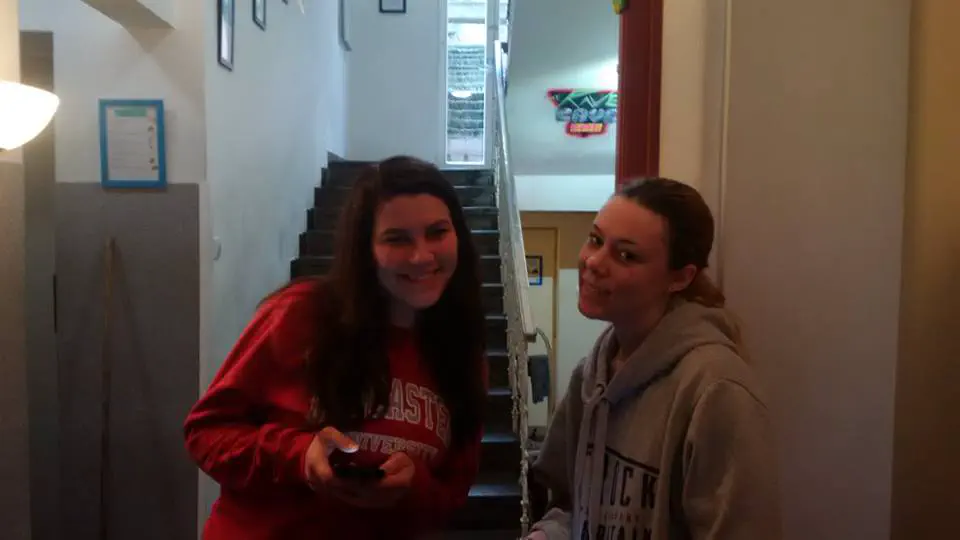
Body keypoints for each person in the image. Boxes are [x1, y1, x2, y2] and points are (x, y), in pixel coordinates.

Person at [184, 156, 488, 539]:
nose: (422, 256)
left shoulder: (462, 356)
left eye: (437, 232)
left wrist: (414, 486)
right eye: (397, 239)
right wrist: (300, 455)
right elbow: (206, 433)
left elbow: (452, 492)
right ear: (365, 249)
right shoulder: (300, 313)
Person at [526, 178, 781, 540]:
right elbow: (569, 505)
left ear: (680, 277)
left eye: (626, 255)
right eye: (596, 240)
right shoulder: (589, 377)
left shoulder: (717, 390)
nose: (594, 262)